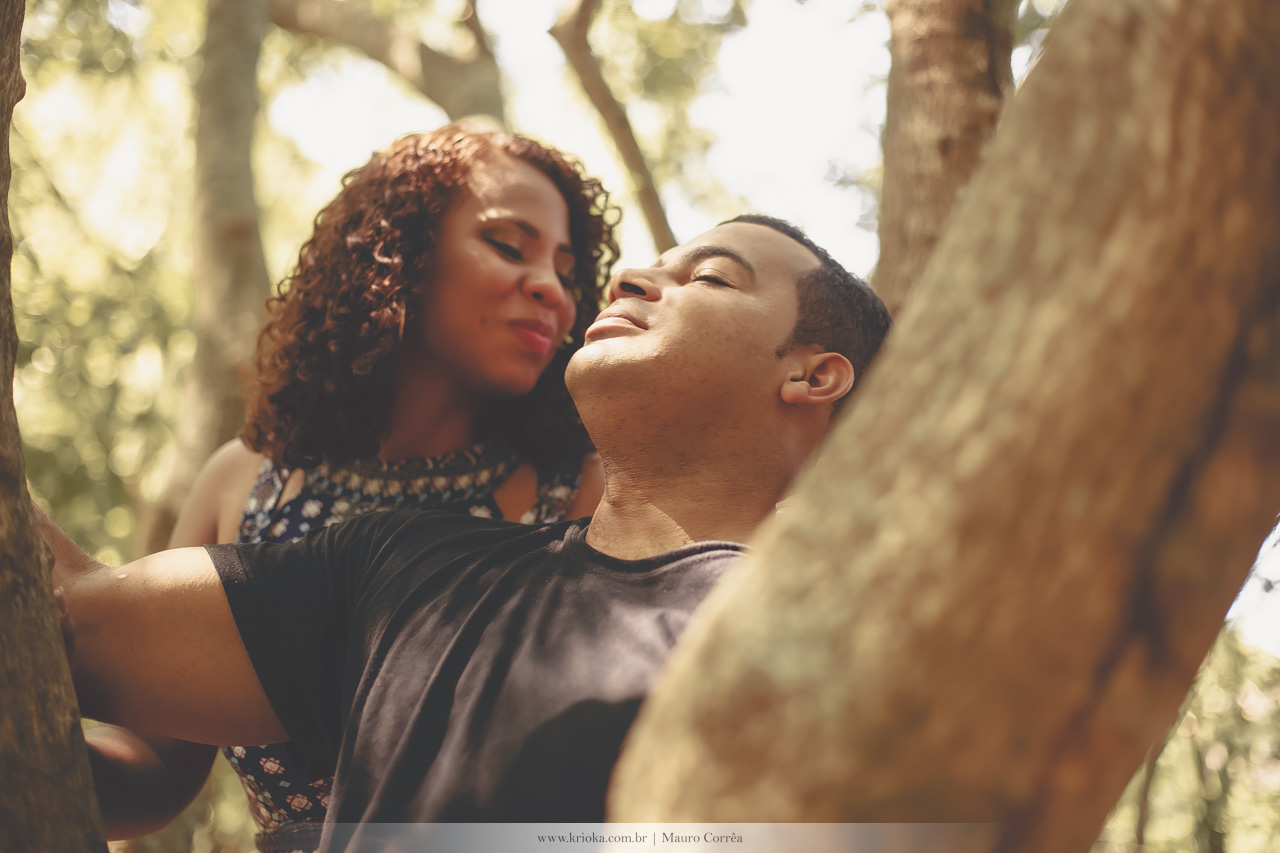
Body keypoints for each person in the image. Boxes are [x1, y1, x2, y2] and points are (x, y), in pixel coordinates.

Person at [46, 215, 892, 850]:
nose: (633, 275)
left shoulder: (866, 639)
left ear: (813, 374)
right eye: (647, 265)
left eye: (710, 277)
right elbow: (66, 614)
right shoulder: (402, 563)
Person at [82, 123, 618, 850]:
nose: (551, 289)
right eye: (509, 244)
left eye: (565, 269)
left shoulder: (588, 491)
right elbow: (154, 774)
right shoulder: (242, 479)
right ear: (404, 254)